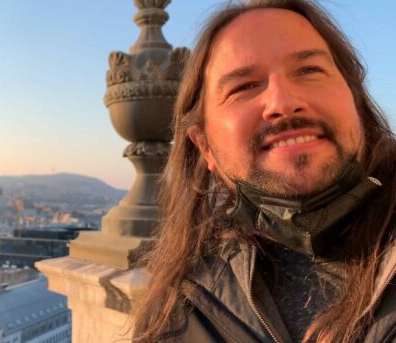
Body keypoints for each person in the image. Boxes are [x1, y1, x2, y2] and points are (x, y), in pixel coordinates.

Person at [133, 1, 396, 342]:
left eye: (309, 71)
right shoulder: (179, 316)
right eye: (243, 86)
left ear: (355, 102)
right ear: (205, 147)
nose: (283, 102)